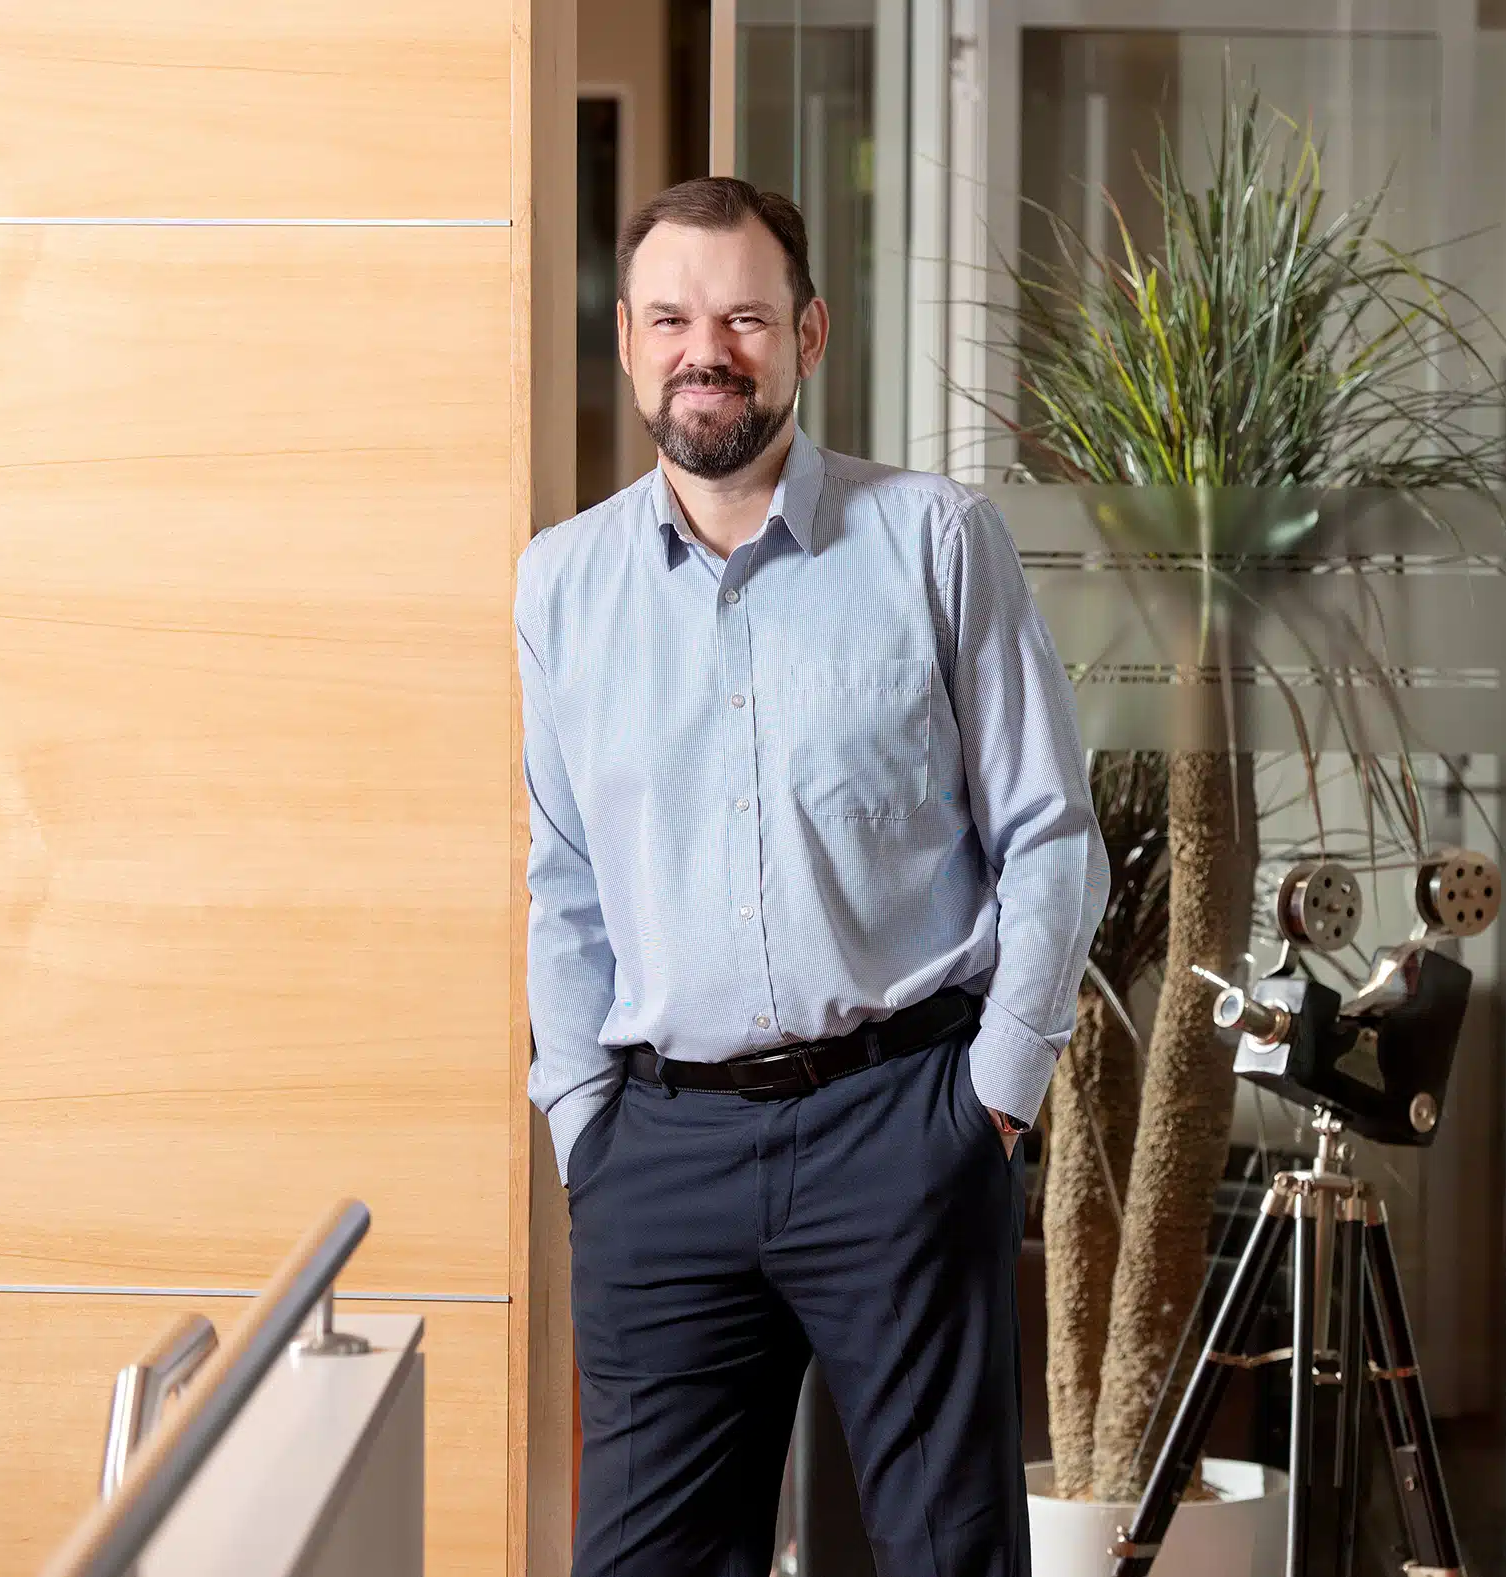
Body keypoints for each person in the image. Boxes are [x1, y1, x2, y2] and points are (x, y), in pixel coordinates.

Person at [517, 175, 1108, 1577]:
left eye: (743, 317)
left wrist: (992, 1099)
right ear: (628, 340)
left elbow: (1050, 835)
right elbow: (567, 881)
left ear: (808, 335)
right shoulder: (562, 583)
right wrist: (582, 1123)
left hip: (903, 1129)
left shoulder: (934, 539)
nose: (705, 350)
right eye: (671, 319)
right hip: (658, 1153)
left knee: (944, 1554)